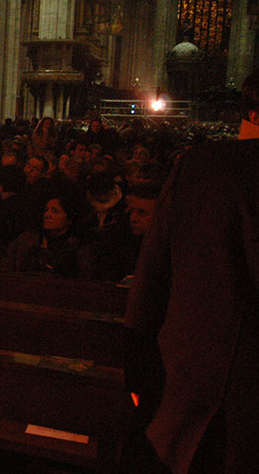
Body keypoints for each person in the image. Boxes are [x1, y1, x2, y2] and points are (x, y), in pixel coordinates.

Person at [122, 72, 259, 474]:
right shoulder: (207, 168)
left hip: (185, 395)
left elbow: (151, 283)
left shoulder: (204, 167)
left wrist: (138, 374)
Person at [3, 193, 95, 279]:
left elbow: (84, 277)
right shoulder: (29, 239)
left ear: (69, 219)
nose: (47, 215)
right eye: (46, 210)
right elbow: (6, 265)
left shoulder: (80, 245)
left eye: (55, 211)